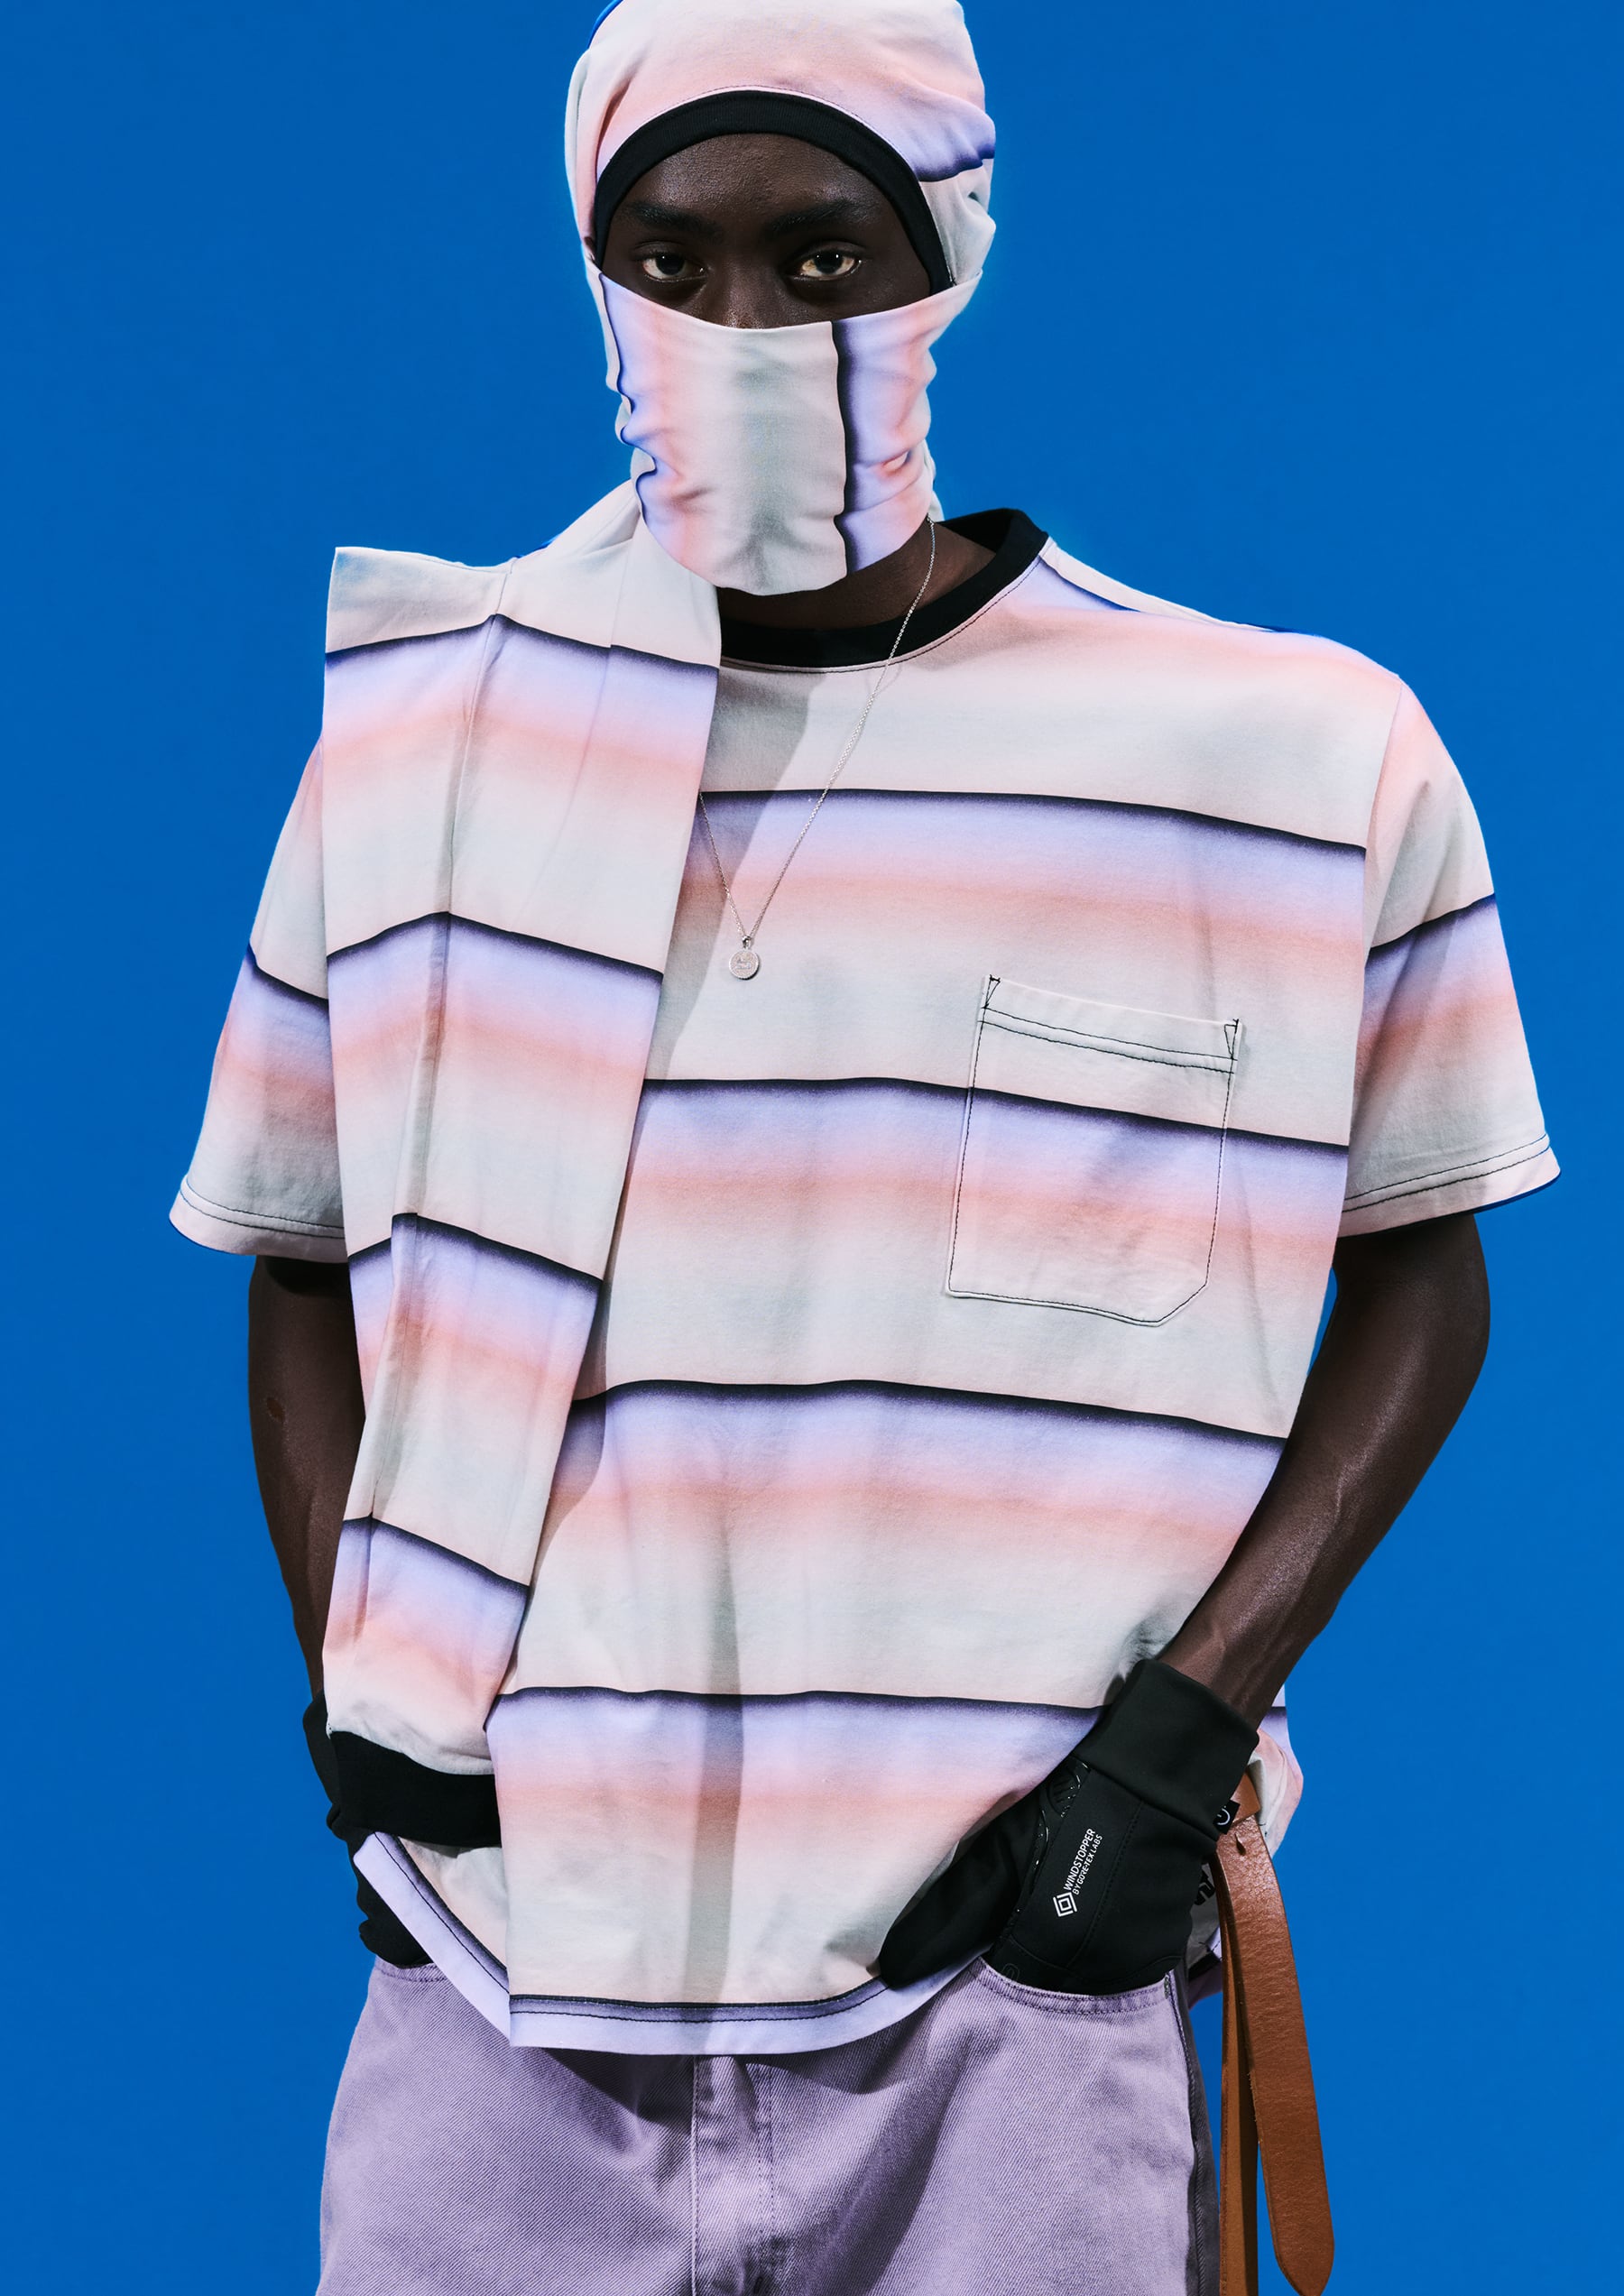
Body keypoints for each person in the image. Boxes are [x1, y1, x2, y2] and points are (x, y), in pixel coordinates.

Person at [172, 2, 1556, 2289]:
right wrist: (370, 1723)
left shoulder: (1287, 762)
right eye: (670, 260)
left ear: (952, 258)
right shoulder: (424, 748)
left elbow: (1425, 1268)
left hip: (1005, 1992)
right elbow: (302, 1252)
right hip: (511, 1986)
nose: (743, 324)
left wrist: (1168, 1759)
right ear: (593, 273)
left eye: (823, 256)